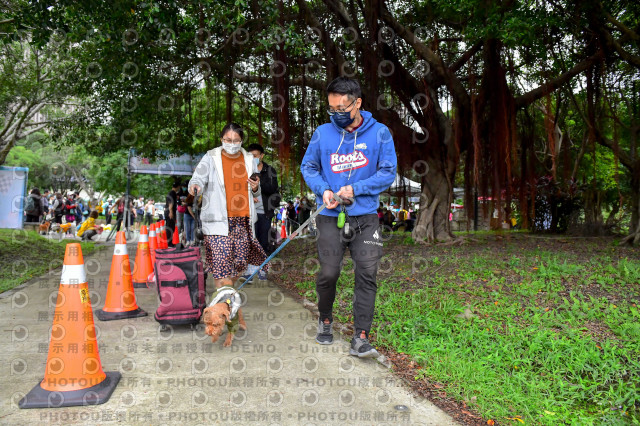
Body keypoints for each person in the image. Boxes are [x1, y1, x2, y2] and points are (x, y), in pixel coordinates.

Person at [300, 76, 397, 358]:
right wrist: (324, 189)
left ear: (358, 103)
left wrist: (357, 188)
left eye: (343, 109)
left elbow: (388, 172)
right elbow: (309, 167)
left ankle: (361, 337)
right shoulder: (322, 134)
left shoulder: (380, 133)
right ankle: (326, 318)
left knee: (367, 273)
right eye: (332, 110)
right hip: (330, 216)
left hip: (365, 217)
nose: (337, 115)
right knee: (329, 273)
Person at [188, 122, 269, 288]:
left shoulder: (249, 159)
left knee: (240, 266)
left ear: (241, 141)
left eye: (235, 140)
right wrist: (195, 185)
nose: (231, 144)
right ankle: (223, 304)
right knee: (221, 267)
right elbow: (198, 177)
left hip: (243, 220)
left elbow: (256, 191)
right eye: (228, 139)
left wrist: (255, 188)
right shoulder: (211, 157)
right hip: (217, 221)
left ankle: (226, 295)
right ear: (221, 139)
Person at [246, 143, 281, 255]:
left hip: (265, 212)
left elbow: (272, 188)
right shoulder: (245, 170)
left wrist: (258, 182)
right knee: (251, 240)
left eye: (255, 156)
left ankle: (263, 266)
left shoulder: (270, 170)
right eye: (250, 156)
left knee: (263, 240)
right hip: (250, 212)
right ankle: (252, 267)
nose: (253, 158)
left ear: (261, 156)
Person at [165, 181, 180, 247]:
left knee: (171, 227)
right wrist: (171, 212)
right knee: (170, 227)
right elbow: (170, 203)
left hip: (168, 211)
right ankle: (169, 243)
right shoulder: (173, 193)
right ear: (177, 187)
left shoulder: (170, 192)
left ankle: (169, 242)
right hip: (169, 212)